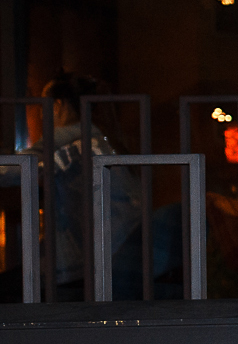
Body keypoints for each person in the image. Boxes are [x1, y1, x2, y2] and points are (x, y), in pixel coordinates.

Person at [6, 72, 145, 302]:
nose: (41, 114)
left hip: (82, 265)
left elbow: (15, 169)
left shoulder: (68, 138)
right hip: (116, 257)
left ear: (58, 106)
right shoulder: (101, 138)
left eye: (43, 106)